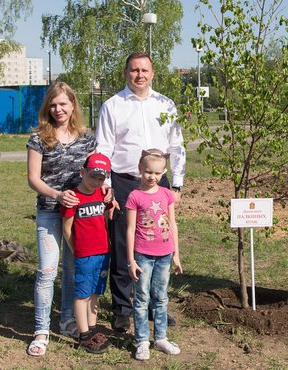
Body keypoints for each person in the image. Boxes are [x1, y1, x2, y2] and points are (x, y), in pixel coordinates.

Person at [96, 52, 186, 332]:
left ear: (153, 72)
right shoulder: (113, 106)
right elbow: (103, 149)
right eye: (134, 70)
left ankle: (153, 304)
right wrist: (107, 187)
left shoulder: (165, 104)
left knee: (157, 242)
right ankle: (123, 307)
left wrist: (178, 184)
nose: (139, 75)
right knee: (124, 244)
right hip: (124, 182)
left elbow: (177, 146)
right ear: (126, 73)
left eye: (144, 70)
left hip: (159, 184)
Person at [26, 82, 104, 356]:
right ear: (48, 107)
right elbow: (33, 178)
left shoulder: (87, 138)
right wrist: (58, 195)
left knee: (73, 271)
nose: (58, 109)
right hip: (50, 211)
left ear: (73, 105)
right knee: (47, 272)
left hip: (81, 217)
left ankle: (68, 320)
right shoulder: (38, 137)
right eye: (54, 104)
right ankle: (41, 329)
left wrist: (105, 189)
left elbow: (97, 174)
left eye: (64, 104)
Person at [125, 149, 183, 361]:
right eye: (148, 172)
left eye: (157, 173)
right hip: (143, 256)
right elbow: (130, 229)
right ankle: (141, 340)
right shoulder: (134, 196)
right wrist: (131, 260)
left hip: (165, 255)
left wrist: (176, 254)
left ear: (163, 173)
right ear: (140, 170)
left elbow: (173, 224)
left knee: (161, 297)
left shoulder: (167, 194)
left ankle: (160, 337)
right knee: (141, 298)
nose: (152, 177)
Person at [61, 153, 113, 353]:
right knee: (82, 294)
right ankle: (83, 335)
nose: (96, 182)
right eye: (93, 176)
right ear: (82, 172)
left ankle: (92, 329)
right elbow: (67, 228)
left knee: (96, 292)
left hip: (103, 252)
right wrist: (77, 250)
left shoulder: (102, 193)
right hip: (84, 255)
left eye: (101, 178)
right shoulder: (73, 197)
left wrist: (112, 197)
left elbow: (110, 209)